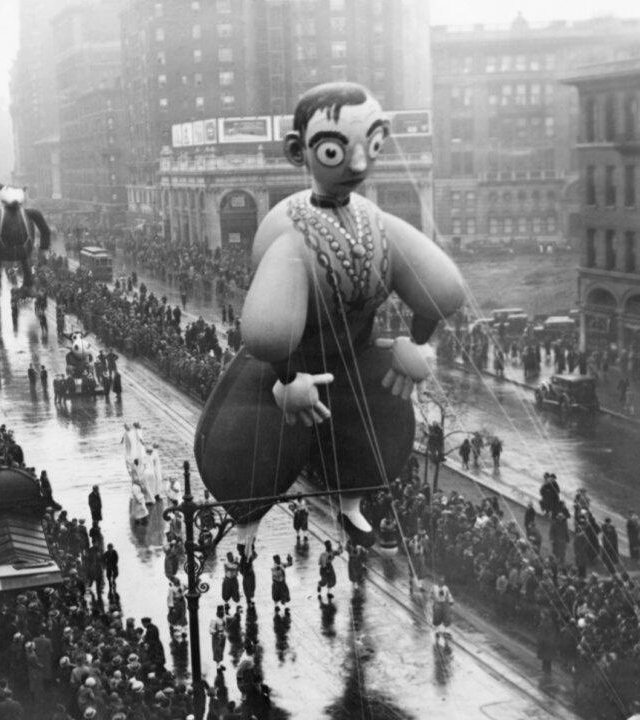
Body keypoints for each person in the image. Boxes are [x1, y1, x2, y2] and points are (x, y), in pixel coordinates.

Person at [194, 82, 465, 552]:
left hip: (357, 352)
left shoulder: (374, 220)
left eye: (372, 145)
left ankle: (353, 503)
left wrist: (418, 343)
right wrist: (285, 376)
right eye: (336, 150)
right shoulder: (290, 225)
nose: (359, 164)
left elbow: (439, 288)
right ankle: (247, 514)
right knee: (255, 444)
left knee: (378, 430)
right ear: (301, 152)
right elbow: (269, 328)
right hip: (291, 364)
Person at [430, 578, 454, 644]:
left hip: (444, 604)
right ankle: (437, 631)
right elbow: (431, 595)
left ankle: (446, 631)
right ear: (438, 582)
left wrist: (451, 601)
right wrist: (433, 597)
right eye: (440, 581)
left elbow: (449, 595)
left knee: (446, 617)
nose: (441, 582)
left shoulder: (446, 588)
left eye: (442, 581)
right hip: (437, 604)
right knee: (436, 618)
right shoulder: (434, 587)